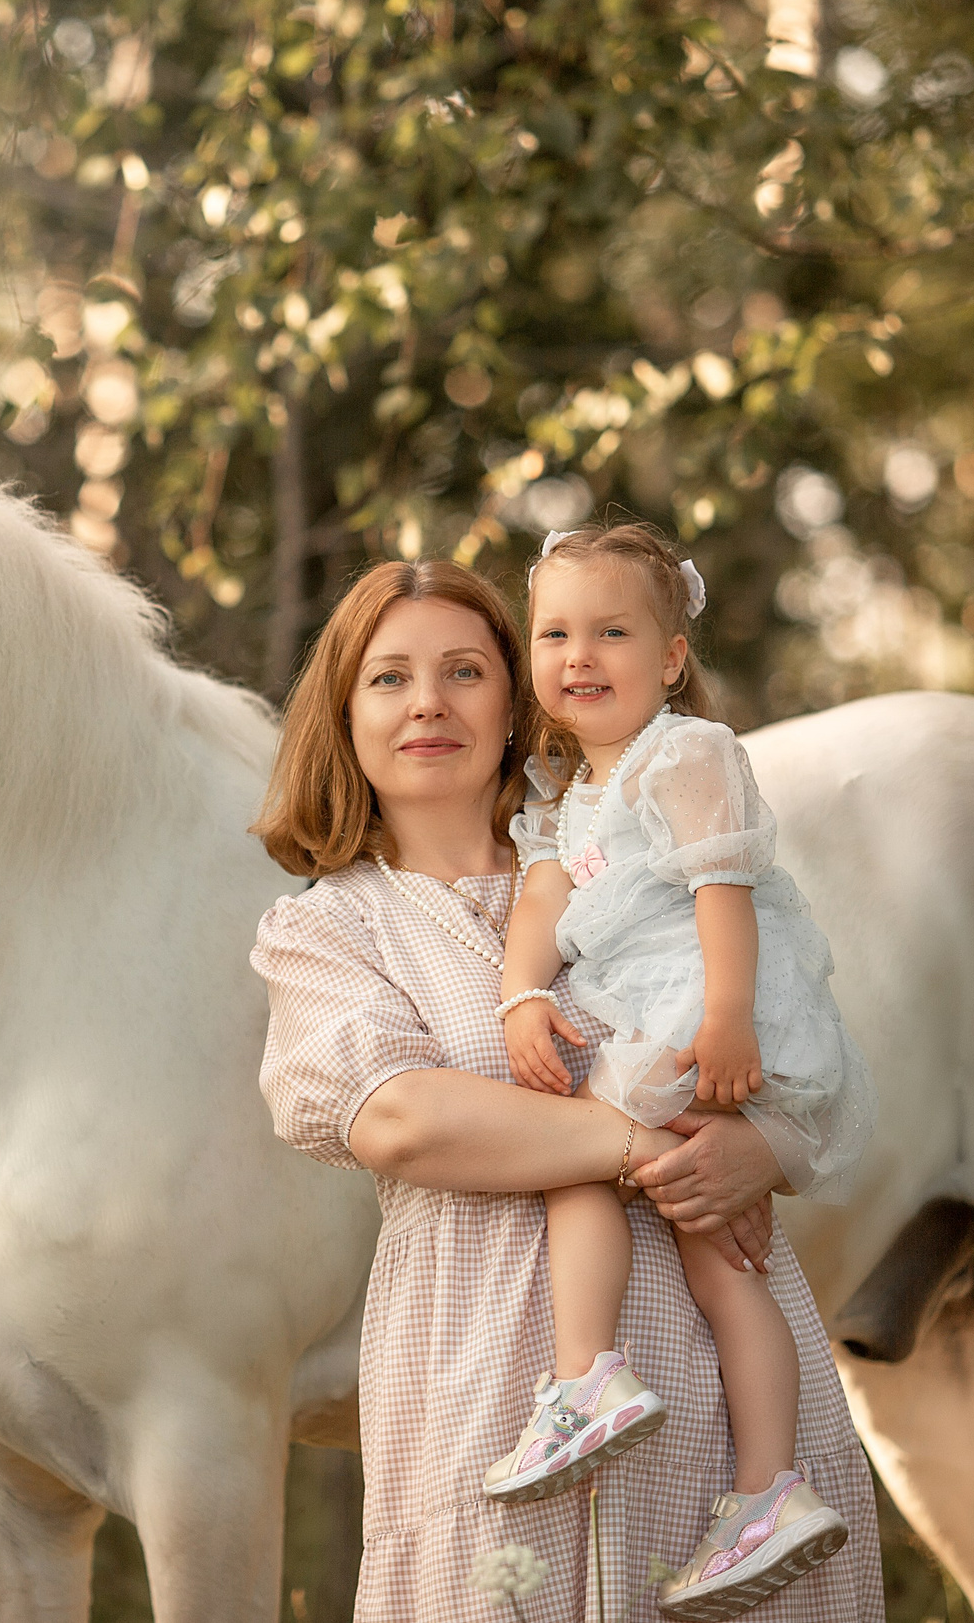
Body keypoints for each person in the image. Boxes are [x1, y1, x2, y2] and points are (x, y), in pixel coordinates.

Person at [250, 559, 880, 1621]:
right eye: (389, 678)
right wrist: (637, 1146)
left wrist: (761, 1152)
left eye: (463, 670)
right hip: (481, 1374)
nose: (429, 705)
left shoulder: (630, 860)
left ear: (514, 701)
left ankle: (764, 1500)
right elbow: (403, 1117)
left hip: (713, 1374)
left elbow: (779, 1036)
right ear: (344, 714)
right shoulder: (330, 929)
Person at [487, 524, 876, 1619]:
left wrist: (726, 1018)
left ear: (666, 657)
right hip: (664, 1021)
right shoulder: (568, 793)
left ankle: (585, 1377)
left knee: (568, 1158)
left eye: (611, 631)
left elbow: (724, 893)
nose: (579, 654)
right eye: (555, 633)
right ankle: (769, 1492)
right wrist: (521, 996)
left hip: (697, 1015)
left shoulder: (685, 753)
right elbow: (541, 905)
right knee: (721, 1265)